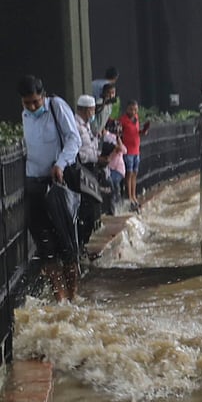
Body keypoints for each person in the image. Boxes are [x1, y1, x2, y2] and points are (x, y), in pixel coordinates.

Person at [19, 75, 81, 301]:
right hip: (34, 184)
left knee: (66, 244)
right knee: (45, 245)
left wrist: (60, 164)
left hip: (57, 183)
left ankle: (73, 294)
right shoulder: (25, 116)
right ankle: (59, 297)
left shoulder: (57, 107)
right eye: (27, 103)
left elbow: (74, 139)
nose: (32, 107)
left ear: (43, 96)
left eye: (35, 102)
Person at [74, 95, 102, 250]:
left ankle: (83, 244)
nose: (93, 113)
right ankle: (80, 244)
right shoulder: (75, 126)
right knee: (86, 210)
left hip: (92, 167)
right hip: (82, 169)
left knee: (92, 208)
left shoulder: (87, 126)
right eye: (92, 110)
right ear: (85, 110)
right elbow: (79, 150)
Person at [118, 99, 151, 210]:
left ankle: (134, 196)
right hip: (128, 152)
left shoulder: (136, 119)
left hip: (136, 150)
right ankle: (130, 197)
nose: (133, 112)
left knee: (135, 174)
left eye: (135, 110)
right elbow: (118, 134)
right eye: (131, 109)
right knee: (129, 174)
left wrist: (144, 131)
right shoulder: (123, 120)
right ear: (127, 109)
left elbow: (137, 133)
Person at [101, 119, 127, 214]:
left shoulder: (113, 138)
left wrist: (118, 139)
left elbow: (123, 150)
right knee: (113, 187)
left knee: (114, 185)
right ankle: (114, 207)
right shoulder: (107, 137)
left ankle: (116, 207)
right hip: (110, 168)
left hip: (118, 170)